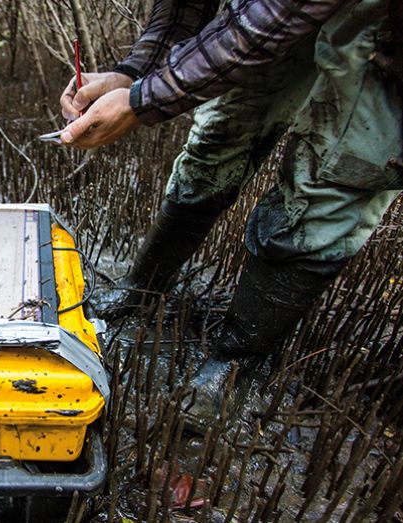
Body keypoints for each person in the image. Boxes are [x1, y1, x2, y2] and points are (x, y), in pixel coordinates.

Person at [58, 0, 402, 416]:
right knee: (221, 131)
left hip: (388, 27)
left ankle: (237, 361)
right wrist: (133, 74)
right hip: (270, 13)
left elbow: (283, 10)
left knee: (332, 177)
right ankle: (144, 285)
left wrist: (144, 100)